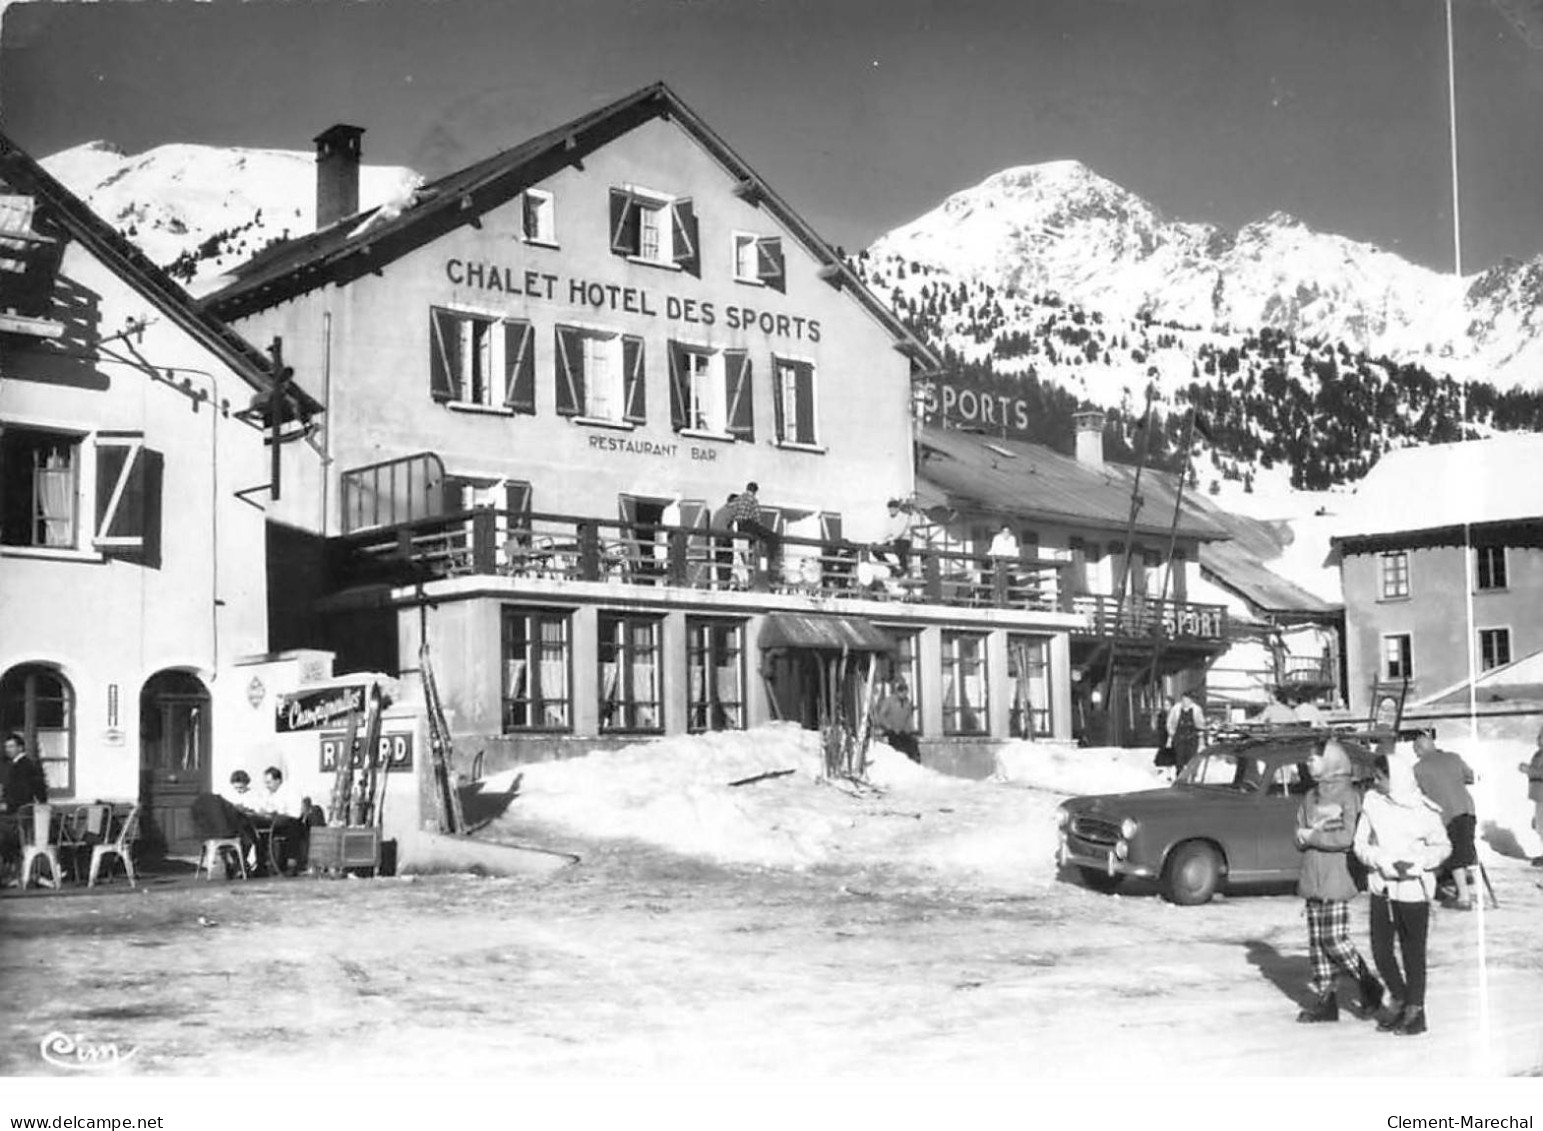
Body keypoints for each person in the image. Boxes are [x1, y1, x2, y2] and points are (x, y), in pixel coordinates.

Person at [1353, 753, 1451, 1036]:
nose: (1376, 781)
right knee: (1381, 950)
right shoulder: (1372, 802)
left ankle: (1416, 1011)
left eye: (1381, 777)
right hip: (1382, 885)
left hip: (1412, 890)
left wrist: (1419, 863)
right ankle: (1400, 997)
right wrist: (1382, 861)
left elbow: (1443, 846)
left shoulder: (1423, 809)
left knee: (1412, 952)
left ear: (1396, 778)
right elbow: (1360, 844)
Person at [1293, 739, 1383, 1023]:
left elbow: (1347, 837)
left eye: (1314, 759)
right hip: (1312, 874)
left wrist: (1313, 837)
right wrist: (1299, 836)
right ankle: (1325, 999)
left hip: (1336, 874)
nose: (1308, 764)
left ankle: (1367, 982)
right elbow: (1299, 828)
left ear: (1331, 761)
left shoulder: (1348, 795)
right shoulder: (1310, 796)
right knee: (1317, 942)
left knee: (1334, 938)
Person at [1411, 732, 1478, 909]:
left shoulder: (1418, 769)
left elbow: (1415, 795)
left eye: (1416, 751)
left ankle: (1463, 897)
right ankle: (1458, 883)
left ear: (1419, 749)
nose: (1416, 755)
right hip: (1468, 810)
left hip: (1446, 815)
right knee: (1462, 847)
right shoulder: (1454, 758)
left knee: (1453, 853)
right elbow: (1472, 777)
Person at [871, 679, 921, 764]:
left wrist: (911, 730)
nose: (904, 695)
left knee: (912, 745)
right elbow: (881, 715)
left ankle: (914, 763)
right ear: (898, 691)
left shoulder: (906, 703)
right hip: (891, 731)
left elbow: (908, 718)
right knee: (896, 749)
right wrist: (888, 726)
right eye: (902, 692)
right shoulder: (889, 701)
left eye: (905, 692)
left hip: (902, 732)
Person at [1166, 692, 1207, 773]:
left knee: (1192, 761)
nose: (1185, 702)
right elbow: (1170, 722)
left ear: (1191, 700)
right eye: (1183, 700)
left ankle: (1192, 778)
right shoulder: (1176, 709)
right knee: (1179, 760)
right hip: (1179, 739)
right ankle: (1179, 777)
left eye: (1187, 700)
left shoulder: (1196, 709)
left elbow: (1201, 724)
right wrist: (1172, 733)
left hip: (1192, 739)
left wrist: (1201, 737)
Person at [1520, 724, 1543, 868]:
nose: (1539, 740)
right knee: (1539, 826)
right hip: (1539, 796)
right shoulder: (1538, 754)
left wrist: (1529, 770)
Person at [874, 498, 915, 574]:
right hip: (894, 540)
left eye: (893, 508)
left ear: (897, 509)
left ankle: (904, 567)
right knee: (876, 550)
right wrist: (880, 541)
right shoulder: (889, 519)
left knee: (899, 547)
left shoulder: (904, 517)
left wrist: (893, 539)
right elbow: (887, 532)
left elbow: (901, 531)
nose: (891, 510)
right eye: (890, 509)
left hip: (904, 539)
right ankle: (892, 569)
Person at [711, 492, 740, 588]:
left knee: (720, 563)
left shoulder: (719, 511)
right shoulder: (732, 510)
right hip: (724, 539)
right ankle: (724, 585)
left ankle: (722, 584)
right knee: (727, 562)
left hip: (717, 540)